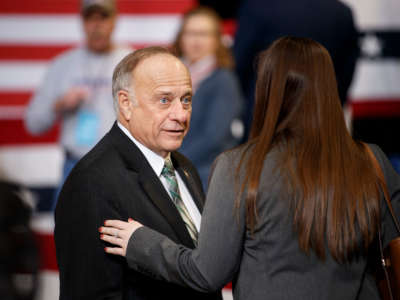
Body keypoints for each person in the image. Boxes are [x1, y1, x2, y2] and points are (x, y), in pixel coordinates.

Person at [100, 37, 400, 300]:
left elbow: (206, 273)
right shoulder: (372, 162)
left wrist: (141, 242)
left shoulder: (238, 167)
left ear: (268, 92)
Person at [54, 47, 222, 300]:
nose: (181, 114)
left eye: (186, 99)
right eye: (164, 100)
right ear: (126, 104)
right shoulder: (91, 183)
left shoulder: (184, 166)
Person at [25, 0, 131, 208]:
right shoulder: (63, 65)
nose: (97, 25)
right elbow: (33, 123)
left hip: (120, 164)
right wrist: (59, 104)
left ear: (114, 21)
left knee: (119, 236)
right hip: (75, 165)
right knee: (68, 235)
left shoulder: (131, 62)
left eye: (103, 17)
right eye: (91, 18)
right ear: (82, 22)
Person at [233, 0, 359, 137]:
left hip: (267, 112)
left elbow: (240, 62)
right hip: (321, 111)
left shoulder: (258, 7)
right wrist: (332, 100)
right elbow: (347, 68)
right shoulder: (341, 12)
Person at [173, 6, 244, 189]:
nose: (196, 40)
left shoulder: (223, 80)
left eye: (204, 34)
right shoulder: (170, 76)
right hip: (176, 172)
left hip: (206, 179)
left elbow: (213, 137)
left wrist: (169, 161)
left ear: (217, 40)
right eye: (190, 33)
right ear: (181, 37)